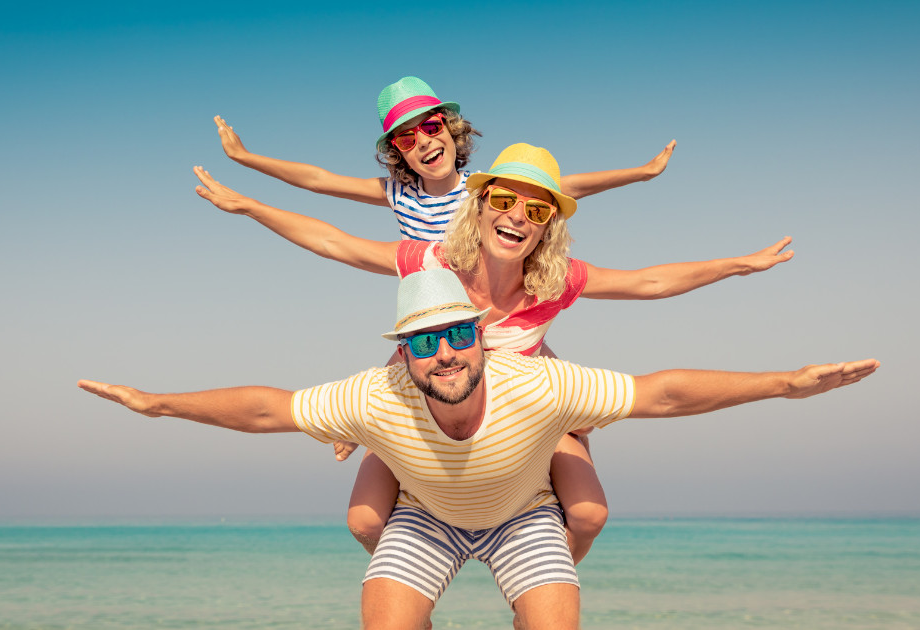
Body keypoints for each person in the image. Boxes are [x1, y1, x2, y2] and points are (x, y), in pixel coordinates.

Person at [77, 268, 880, 630]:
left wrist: (785, 383)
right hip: (427, 519)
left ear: (481, 339)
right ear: (405, 354)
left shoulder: (537, 387)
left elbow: (659, 392)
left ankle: (532, 574)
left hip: (524, 517)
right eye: (425, 342)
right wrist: (157, 405)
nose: (446, 354)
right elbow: (266, 410)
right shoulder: (378, 394)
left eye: (459, 333)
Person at [192, 142, 795, 562]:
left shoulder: (554, 280)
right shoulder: (433, 264)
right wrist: (249, 206)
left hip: (525, 410)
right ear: (479, 205)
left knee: (588, 516)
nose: (516, 218)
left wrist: (740, 264)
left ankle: (552, 566)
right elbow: (332, 242)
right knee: (363, 521)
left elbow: (652, 282)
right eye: (504, 202)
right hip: (432, 404)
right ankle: (422, 550)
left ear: (548, 226)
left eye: (536, 210)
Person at [214, 76, 677, 241]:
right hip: (432, 312)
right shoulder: (399, 194)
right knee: (388, 388)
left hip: (492, 308)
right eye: (406, 140)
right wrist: (247, 159)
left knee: (575, 416)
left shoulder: (484, 191)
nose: (423, 144)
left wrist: (641, 173)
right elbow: (318, 179)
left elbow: (567, 185)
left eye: (432, 129)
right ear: (398, 153)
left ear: (452, 132)